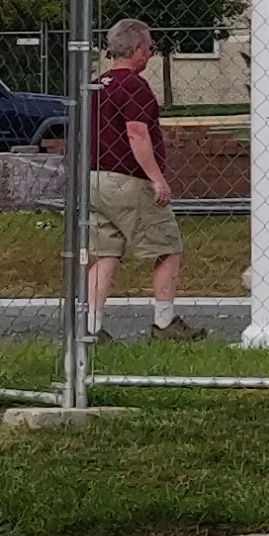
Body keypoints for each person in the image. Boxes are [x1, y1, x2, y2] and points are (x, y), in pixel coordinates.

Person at [81, 18, 196, 340]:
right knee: (167, 247)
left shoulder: (98, 84)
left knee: (106, 253)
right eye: (149, 47)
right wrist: (157, 179)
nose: (150, 53)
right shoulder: (133, 85)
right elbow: (137, 133)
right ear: (136, 49)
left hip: (96, 179)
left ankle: (91, 327)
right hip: (128, 180)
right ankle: (164, 323)